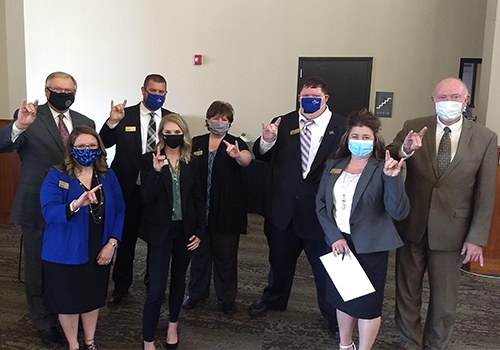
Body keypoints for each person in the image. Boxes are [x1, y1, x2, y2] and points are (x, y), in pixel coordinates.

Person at [387, 77, 498, 350]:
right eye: (442, 97)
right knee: (407, 292)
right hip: (413, 225)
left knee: (445, 299)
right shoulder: (413, 126)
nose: (449, 102)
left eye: (455, 97)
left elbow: (485, 194)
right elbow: (389, 154)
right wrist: (406, 150)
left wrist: (477, 237)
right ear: (433, 100)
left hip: (454, 232)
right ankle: (409, 342)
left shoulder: (485, 138)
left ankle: (436, 345)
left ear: (466, 100)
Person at [0, 72, 94, 348]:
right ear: (47, 90)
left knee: (66, 265)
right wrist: (18, 125)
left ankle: (64, 313)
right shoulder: (29, 117)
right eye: (58, 89)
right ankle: (43, 321)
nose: (64, 94)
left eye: (70, 90)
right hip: (37, 205)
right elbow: (4, 144)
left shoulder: (85, 122)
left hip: (75, 207)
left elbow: (91, 157)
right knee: (38, 266)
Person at [248, 77, 346, 338]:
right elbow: (262, 154)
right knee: (279, 262)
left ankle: (333, 317)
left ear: (325, 99)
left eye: (314, 96)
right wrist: (267, 140)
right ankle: (273, 299)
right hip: (284, 210)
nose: (309, 100)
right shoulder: (285, 121)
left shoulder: (343, 126)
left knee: (325, 269)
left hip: (321, 213)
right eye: (305, 96)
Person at [316, 109, 410, 350]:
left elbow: (398, 212)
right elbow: (321, 205)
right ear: (347, 138)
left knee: (367, 304)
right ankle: (345, 345)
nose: (359, 141)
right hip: (339, 244)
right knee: (344, 299)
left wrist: (394, 179)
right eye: (355, 136)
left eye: (365, 137)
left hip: (371, 246)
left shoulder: (384, 168)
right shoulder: (334, 165)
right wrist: (335, 236)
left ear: (375, 139)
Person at [40, 126, 125, 350]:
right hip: (64, 251)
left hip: (98, 248)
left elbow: (119, 211)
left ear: (99, 149)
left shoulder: (107, 175)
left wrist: (112, 243)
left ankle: (89, 342)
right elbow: (49, 212)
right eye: (81, 146)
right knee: (67, 302)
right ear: (71, 149)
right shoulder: (56, 176)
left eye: (92, 146)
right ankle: (73, 345)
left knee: (92, 298)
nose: (87, 150)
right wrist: (76, 204)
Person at [99, 74, 173, 306]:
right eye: (153, 91)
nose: (157, 96)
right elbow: (104, 141)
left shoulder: (171, 119)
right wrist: (112, 122)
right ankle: (121, 285)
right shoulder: (125, 114)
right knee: (125, 238)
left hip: (158, 190)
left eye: (162, 92)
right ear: (143, 90)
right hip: (128, 189)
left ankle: (154, 284)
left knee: (157, 240)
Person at [139, 114, 205, 350]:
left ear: (184, 134)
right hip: (160, 232)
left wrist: (199, 230)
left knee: (179, 281)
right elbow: (145, 197)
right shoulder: (149, 160)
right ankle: (147, 339)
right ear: (161, 134)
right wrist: (156, 172)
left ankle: (173, 326)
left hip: (185, 231)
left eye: (178, 133)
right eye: (168, 132)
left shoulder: (191, 161)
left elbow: (198, 198)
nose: (173, 136)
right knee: (156, 288)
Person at [183, 100, 251, 315]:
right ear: (207, 120)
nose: (219, 122)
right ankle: (195, 293)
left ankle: (226, 297)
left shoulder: (236, 143)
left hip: (227, 211)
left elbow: (247, 160)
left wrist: (237, 155)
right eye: (216, 118)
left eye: (224, 119)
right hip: (199, 211)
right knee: (199, 256)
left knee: (225, 257)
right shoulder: (196, 143)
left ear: (230, 123)